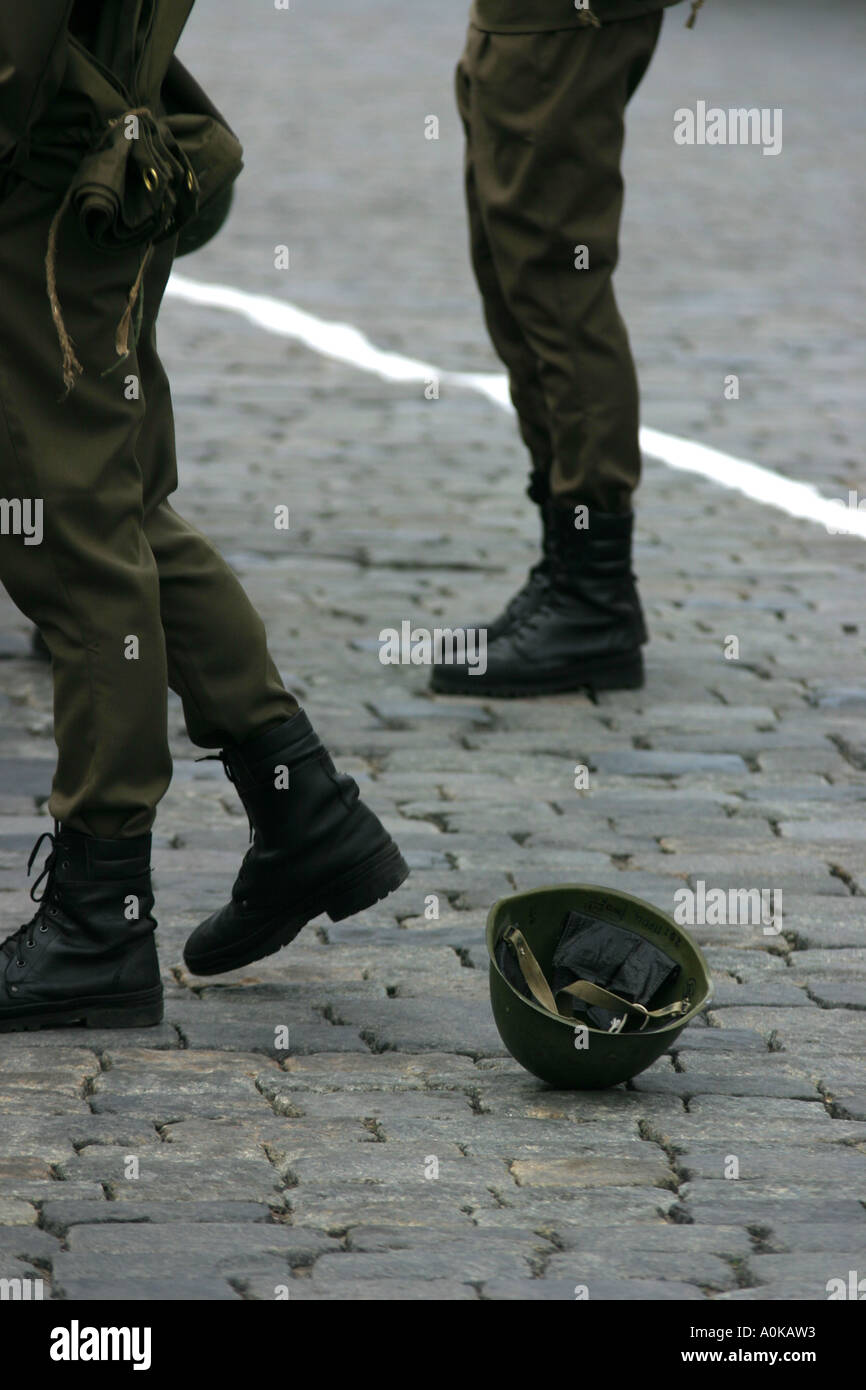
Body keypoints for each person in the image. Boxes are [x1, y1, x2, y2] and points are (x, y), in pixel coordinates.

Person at [0, 1, 408, 1032]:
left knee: (69, 531)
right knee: (109, 502)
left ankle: (99, 921)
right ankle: (299, 804)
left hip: (39, 160)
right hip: (84, 137)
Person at [431, 0, 705, 698]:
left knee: (557, 277)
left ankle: (593, 596)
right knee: (512, 274)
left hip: (568, 14)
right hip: (527, 14)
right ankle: (568, 569)